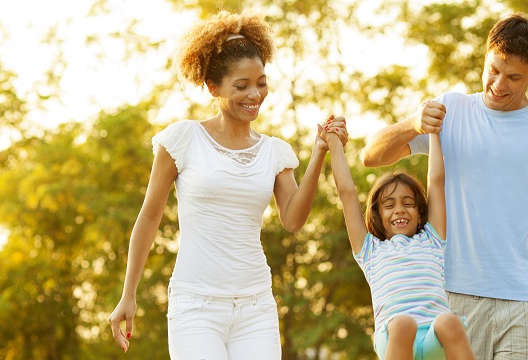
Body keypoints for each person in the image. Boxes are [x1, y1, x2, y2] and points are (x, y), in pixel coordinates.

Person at [361, 12, 528, 359]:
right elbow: (371, 155)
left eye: (513, 77)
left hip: (527, 304)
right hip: (450, 300)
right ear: (486, 56)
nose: (498, 84)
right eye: (493, 70)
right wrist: (412, 124)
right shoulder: (452, 110)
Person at [105, 11, 347, 358]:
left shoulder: (274, 151)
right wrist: (129, 293)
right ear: (212, 88)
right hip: (196, 307)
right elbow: (149, 216)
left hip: (256, 306)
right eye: (242, 85)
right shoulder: (183, 138)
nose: (255, 94)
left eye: (261, 82)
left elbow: (293, 219)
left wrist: (319, 153)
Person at [322, 118, 473, 359]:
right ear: (378, 216)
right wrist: (334, 144)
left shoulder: (432, 240)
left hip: (434, 340)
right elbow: (347, 193)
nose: (400, 210)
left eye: (408, 203)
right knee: (403, 323)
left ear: (420, 212)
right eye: (389, 205)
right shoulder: (370, 250)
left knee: (449, 321)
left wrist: (432, 131)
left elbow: (436, 181)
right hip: (395, 338)